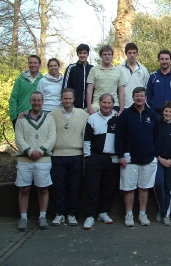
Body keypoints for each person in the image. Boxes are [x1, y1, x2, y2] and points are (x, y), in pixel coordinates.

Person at [115, 87, 160, 227]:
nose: (139, 98)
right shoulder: (126, 114)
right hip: (129, 159)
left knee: (144, 188)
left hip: (148, 158)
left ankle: (142, 214)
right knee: (128, 188)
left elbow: (157, 136)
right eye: (136, 96)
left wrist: (155, 155)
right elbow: (119, 136)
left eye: (141, 96)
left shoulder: (152, 114)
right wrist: (120, 155)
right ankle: (129, 215)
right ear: (133, 97)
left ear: (146, 97)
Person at [14, 91, 56, 231]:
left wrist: (42, 150)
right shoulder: (21, 119)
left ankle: (42, 216)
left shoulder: (49, 118)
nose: (36, 103)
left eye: (39, 100)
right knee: (25, 189)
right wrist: (30, 151)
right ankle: (23, 218)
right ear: (30, 101)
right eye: (34, 100)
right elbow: (19, 139)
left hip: (43, 159)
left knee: (43, 188)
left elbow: (52, 137)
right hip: (25, 159)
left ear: (42, 102)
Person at [50, 88, 89, 226]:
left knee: (75, 186)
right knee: (58, 186)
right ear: (61, 99)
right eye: (65, 98)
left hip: (76, 155)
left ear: (74, 99)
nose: (67, 101)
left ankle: (72, 214)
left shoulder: (83, 114)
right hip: (58, 155)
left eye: (70, 98)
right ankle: (59, 213)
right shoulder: (53, 115)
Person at [82, 93, 119, 230]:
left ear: (113, 104)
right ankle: (90, 215)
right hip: (95, 158)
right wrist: (88, 157)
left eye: (109, 103)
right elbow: (87, 139)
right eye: (104, 102)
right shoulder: (92, 119)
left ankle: (103, 212)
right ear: (100, 103)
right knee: (92, 187)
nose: (107, 105)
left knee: (108, 188)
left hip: (112, 159)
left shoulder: (117, 118)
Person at [154, 101, 171, 226]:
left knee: (168, 187)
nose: (167, 113)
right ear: (162, 112)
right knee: (159, 184)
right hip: (159, 160)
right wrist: (159, 158)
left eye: (170, 111)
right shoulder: (157, 125)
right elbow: (153, 143)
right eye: (166, 111)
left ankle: (166, 215)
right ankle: (162, 208)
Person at [146, 50, 171, 124]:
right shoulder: (152, 76)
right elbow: (147, 95)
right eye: (162, 59)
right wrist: (150, 110)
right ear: (159, 60)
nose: (164, 61)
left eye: (167, 59)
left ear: (170, 60)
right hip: (155, 114)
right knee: (155, 135)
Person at [86, 45, 125, 115]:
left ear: (112, 56)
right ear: (101, 56)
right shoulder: (93, 70)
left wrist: (121, 109)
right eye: (104, 54)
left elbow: (121, 92)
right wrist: (89, 108)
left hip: (114, 105)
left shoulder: (119, 71)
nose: (107, 56)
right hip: (97, 106)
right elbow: (89, 90)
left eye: (109, 54)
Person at [9, 55, 43, 128]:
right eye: (30, 63)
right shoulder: (20, 80)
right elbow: (13, 98)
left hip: (38, 117)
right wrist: (14, 117)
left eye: (35, 63)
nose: (32, 65)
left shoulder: (43, 80)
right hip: (21, 117)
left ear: (40, 65)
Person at [62, 44, 94, 109]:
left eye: (84, 53)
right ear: (77, 54)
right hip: (74, 106)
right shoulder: (71, 68)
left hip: (89, 106)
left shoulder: (92, 69)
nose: (82, 55)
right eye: (80, 53)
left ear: (88, 54)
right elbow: (65, 87)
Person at [118, 43, 150, 108]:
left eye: (134, 53)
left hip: (140, 106)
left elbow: (146, 89)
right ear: (126, 53)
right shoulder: (118, 69)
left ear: (137, 53)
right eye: (129, 53)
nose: (132, 55)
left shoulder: (143, 70)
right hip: (124, 107)